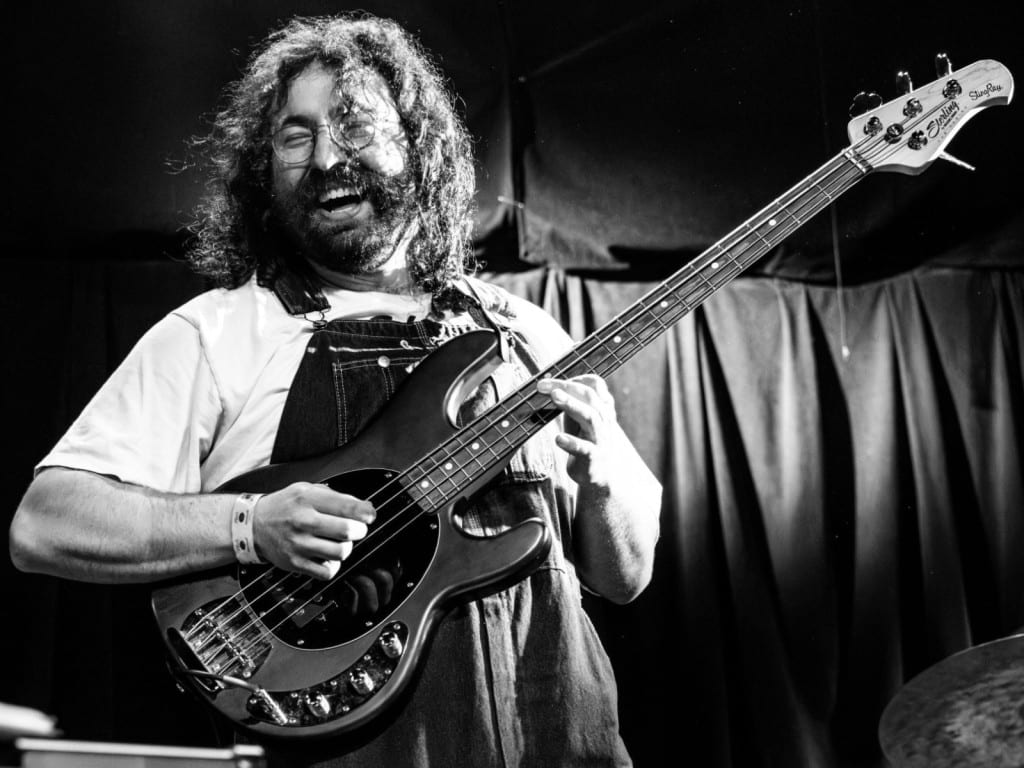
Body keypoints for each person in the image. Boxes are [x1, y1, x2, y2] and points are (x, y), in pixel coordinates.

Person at [9, 13, 661, 767]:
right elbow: (45, 523)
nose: (325, 158)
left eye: (354, 126)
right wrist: (249, 525)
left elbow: (625, 577)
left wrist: (604, 481)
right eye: (296, 136)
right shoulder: (218, 331)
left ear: (419, 144)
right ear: (265, 171)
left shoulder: (526, 335)